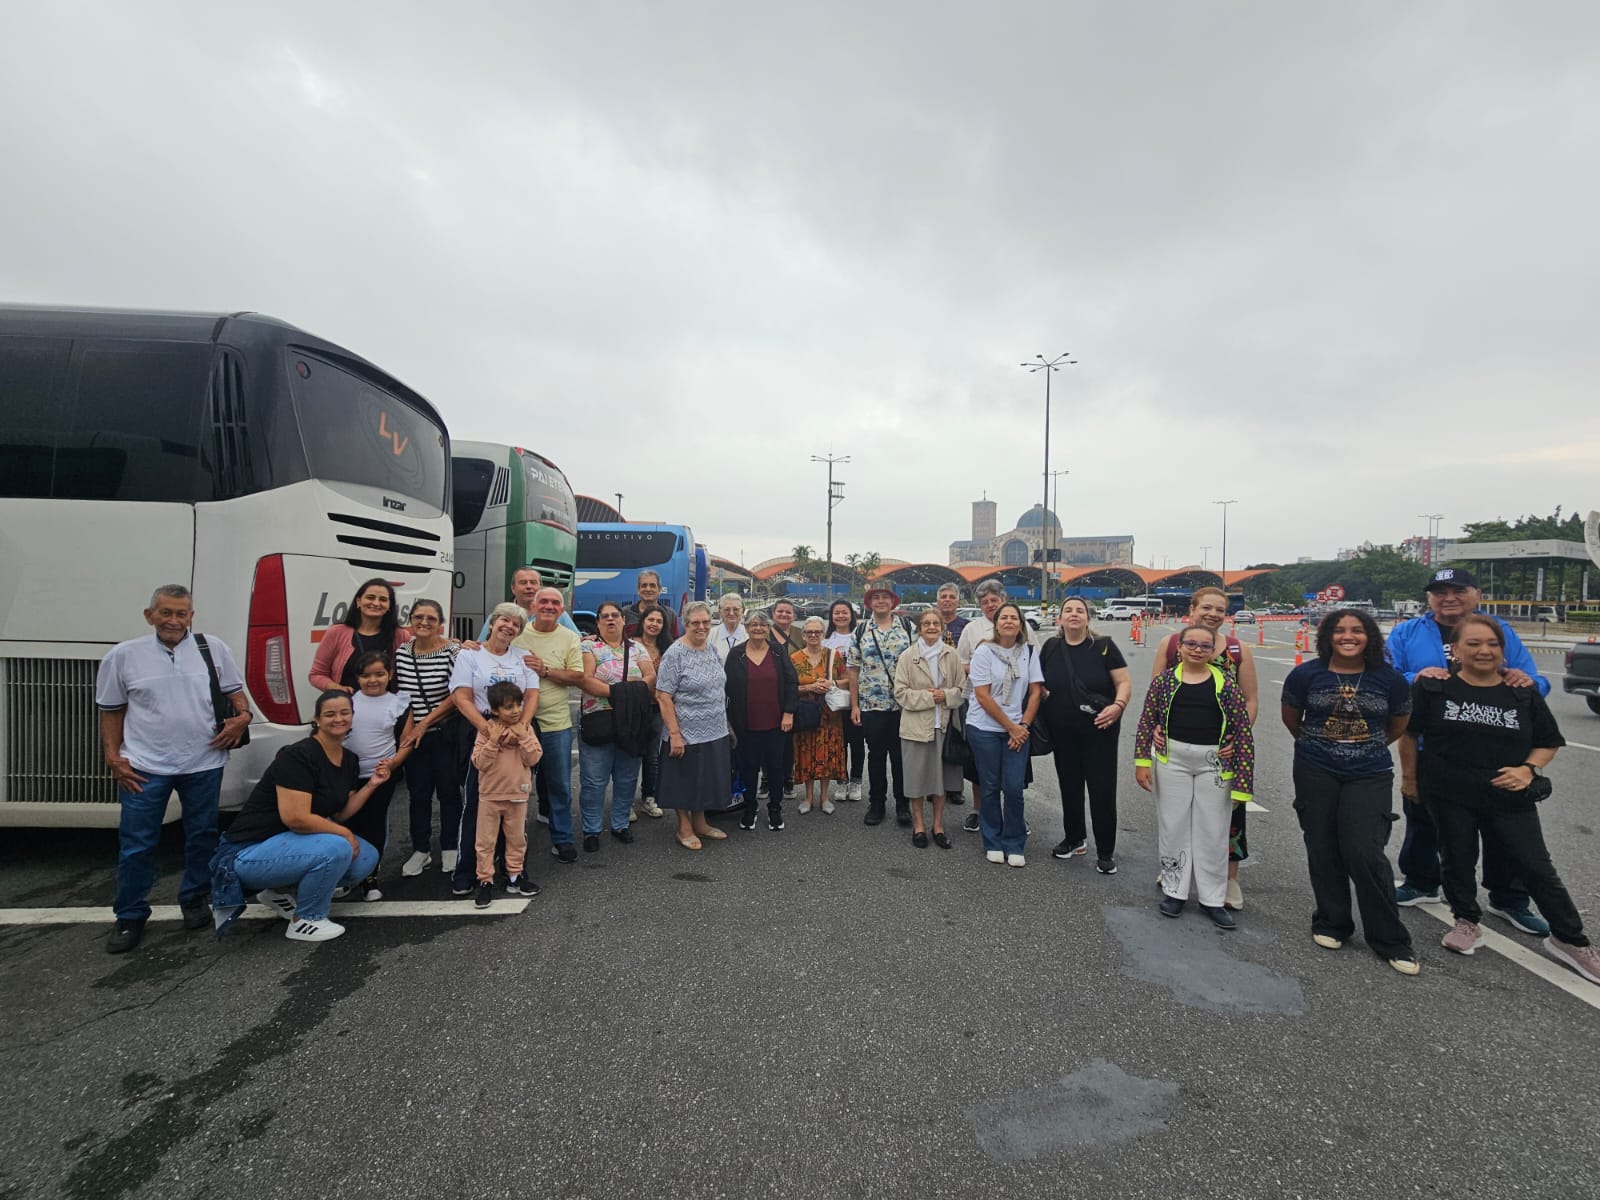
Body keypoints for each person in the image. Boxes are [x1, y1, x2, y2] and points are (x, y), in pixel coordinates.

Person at [1401, 615, 1597, 984]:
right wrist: (1409, 780)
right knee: (1457, 858)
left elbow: (1548, 741)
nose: (1484, 651)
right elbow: (1409, 734)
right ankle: (1466, 921)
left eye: (1492, 644)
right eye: (1473, 644)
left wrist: (1528, 769)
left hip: (1509, 795)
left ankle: (1570, 939)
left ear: (1503, 651)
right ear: (1455, 650)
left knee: (1535, 865)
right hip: (1449, 791)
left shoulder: (1521, 691)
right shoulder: (1434, 687)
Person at [1387, 567, 1551, 937]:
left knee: (1503, 830)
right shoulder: (1407, 632)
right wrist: (1418, 677)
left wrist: (1522, 680)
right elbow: (1388, 676)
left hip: (1497, 749)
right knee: (1423, 816)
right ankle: (1421, 881)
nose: (1449, 598)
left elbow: (1536, 681)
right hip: (1433, 747)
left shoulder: (1498, 632)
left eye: (1458, 590)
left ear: (1476, 594)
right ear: (1429, 598)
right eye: (1440, 592)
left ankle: (1509, 898)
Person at [96, 585, 251, 953]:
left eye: (181, 613)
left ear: (191, 617)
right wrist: (113, 757)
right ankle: (130, 915)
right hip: (145, 765)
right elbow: (111, 709)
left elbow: (235, 692)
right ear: (149, 615)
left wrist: (243, 717)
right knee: (137, 843)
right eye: (165, 612)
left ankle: (194, 898)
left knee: (202, 836)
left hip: (204, 762)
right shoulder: (124, 655)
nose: (173, 620)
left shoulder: (212, 648)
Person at [1281, 609, 1418, 975]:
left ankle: (1390, 938)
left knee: (1364, 850)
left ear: (1369, 636)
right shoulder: (1306, 675)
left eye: (1357, 630)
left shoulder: (1389, 679)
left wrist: (1363, 747)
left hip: (1368, 772)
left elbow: (1398, 724)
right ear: (1327, 636)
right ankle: (1332, 921)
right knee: (1322, 844)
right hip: (1315, 768)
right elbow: (1292, 717)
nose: (1348, 636)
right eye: (1339, 630)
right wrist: (1320, 745)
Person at [208, 691, 389, 944]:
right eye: (330, 714)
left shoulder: (349, 760)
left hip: (288, 844)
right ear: (317, 719)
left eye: (344, 713)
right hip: (248, 850)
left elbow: (341, 812)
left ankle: (277, 891)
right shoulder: (298, 755)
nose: (338, 718)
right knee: (337, 847)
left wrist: (372, 784)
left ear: (352, 716)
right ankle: (306, 919)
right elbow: (296, 818)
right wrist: (345, 833)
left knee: (366, 856)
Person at [1134, 624, 1256, 928]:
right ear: (1180, 647)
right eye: (1191, 644)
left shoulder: (1227, 683)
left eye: (1205, 646)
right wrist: (1142, 761)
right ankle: (1174, 890)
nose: (1197, 650)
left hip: (1214, 763)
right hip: (1172, 760)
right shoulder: (1164, 681)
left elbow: (1243, 732)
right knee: (1172, 825)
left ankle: (1212, 898)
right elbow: (1147, 719)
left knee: (1214, 830)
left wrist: (1242, 784)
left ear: (1214, 651)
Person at [447, 604, 541, 897]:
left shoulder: (523, 657)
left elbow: (532, 694)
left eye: (516, 624)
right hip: (482, 729)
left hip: (518, 730)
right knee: (476, 805)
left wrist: (521, 727)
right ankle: (469, 872)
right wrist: (489, 731)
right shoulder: (470, 654)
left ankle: (514, 872)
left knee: (515, 806)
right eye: (504, 620)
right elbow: (461, 696)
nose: (509, 626)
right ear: (492, 622)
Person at [1041, 597, 1131, 874]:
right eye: (1068, 610)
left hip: (1100, 730)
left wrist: (1118, 706)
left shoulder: (1104, 646)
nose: (1074, 614)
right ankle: (1074, 838)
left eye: (1079, 610)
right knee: (1069, 786)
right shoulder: (1051, 647)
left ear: (1087, 618)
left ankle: (1105, 851)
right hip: (1063, 731)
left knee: (1102, 789)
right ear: (1060, 618)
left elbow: (1123, 682)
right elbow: (1039, 683)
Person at [956, 579, 1036, 833]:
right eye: (985, 602)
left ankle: (1015, 816)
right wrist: (986, 666)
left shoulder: (1023, 628)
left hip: (1017, 707)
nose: (990, 605)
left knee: (1015, 772)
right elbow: (960, 662)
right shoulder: (972, 629)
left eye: (994, 600)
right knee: (981, 768)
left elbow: (1033, 659)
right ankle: (979, 810)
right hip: (982, 702)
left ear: (1003, 601)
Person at [967, 604, 1042, 867]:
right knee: (989, 787)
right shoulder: (984, 651)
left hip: (1019, 729)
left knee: (1013, 788)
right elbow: (982, 695)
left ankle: (1014, 842)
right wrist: (1011, 727)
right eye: (1004, 618)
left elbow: (1035, 691)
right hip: (985, 728)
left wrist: (1023, 725)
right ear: (996, 623)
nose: (1009, 621)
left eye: (1014, 618)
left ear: (1021, 624)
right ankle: (992, 841)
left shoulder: (1029, 652)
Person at [654, 602, 733, 851]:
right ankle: (684, 828)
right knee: (684, 781)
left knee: (705, 779)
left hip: (714, 729)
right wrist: (675, 734)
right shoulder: (675, 654)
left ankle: (700, 823)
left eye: (706, 622)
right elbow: (663, 696)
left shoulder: (711, 648)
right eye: (695, 622)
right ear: (685, 624)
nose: (701, 627)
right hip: (686, 731)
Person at [512, 587, 585, 856]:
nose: (549, 606)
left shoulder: (569, 637)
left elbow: (577, 676)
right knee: (513, 785)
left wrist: (545, 670)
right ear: (533, 606)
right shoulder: (516, 633)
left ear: (562, 610)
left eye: (555, 603)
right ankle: (511, 842)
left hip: (555, 723)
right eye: (543, 601)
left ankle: (562, 839)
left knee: (559, 785)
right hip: (517, 722)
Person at [578, 601, 656, 848]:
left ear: (623, 620)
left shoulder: (637, 648)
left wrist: (620, 693)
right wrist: (622, 693)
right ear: (598, 622)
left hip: (632, 721)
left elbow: (650, 676)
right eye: (605, 616)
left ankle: (620, 824)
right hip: (598, 719)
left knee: (626, 777)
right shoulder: (589, 646)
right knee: (594, 781)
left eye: (615, 615)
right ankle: (591, 830)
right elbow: (586, 680)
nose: (610, 619)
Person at [394, 600, 463, 877]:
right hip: (416, 735)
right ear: (410, 620)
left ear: (440, 624)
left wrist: (424, 724)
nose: (424, 622)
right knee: (418, 794)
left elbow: (457, 694)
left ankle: (450, 846)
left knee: (448, 792)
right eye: (418, 617)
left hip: (444, 733)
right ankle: (420, 850)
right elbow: (406, 696)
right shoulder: (402, 653)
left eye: (431, 618)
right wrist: (410, 730)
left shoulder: (452, 651)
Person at [343, 652, 413, 901]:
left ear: (390, 675)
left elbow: (406, 742)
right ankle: (344, 874)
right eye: (366, 675)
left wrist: (393, 764)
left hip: (381, 776)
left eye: (379, 674)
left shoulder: (400, 703)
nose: (373, 680)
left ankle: (369, 876)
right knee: (346, 823)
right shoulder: (347, 701)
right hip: (346, 775)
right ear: (357, 677)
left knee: (373, 824)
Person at [893, 610, 965, 849]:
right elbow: (900, 693)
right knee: (916, 780)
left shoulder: (951, 655)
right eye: (926, 623)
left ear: (942, 627)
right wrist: (929, 697)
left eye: (936, 623)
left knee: (940, 781)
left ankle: (938, 825)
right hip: (915, 728)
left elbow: (962, 690)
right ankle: (919, 825)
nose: (931, 627)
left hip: (944, 726)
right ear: (919, 628)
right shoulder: (908, 656)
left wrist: (946, 695)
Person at [469, 681, 543, 908]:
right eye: (508, 707)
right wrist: (493, 742)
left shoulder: (525, 729)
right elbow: (479, 763)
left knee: (517, 839)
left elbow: (533, 758)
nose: (516, 711)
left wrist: (523, 737)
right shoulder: (487, 731)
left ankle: (515, 876)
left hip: (518, 794)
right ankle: (485, 880)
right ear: (494, 710)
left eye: (519, 705)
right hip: (490, 796)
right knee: (485, 842)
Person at [724, 611, 798, 832]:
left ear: (768, 628)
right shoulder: (736, 654)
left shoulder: (778, 651)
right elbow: (726, 687)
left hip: (776, 723)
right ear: (746, 628)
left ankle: (775, 809)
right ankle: (750, 808)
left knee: (775, 767)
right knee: (748, 768)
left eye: (762, 624)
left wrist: (789, 712)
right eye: (753, 624)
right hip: (745, 723)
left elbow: (791, 682)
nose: (758, 628)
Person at [848, 586, 914, 827]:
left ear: (893, 601)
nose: (881, 601)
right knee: (875, 756)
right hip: (871, 704)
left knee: (900, 756)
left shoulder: (907, 628)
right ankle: (876, 804)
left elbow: (919, 662)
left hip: (902, 705)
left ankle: (903, 804)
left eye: (885, 597)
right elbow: (853, 669)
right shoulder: (861, 630)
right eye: (875, 598)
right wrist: (854, 705)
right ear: (869, 603)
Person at [309, 577, 412, 693]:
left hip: (387, 704)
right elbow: (317, 674)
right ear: (358, 601)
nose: (376, 603)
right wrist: (338, 689)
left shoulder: (401, 636)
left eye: (383, 599)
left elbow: (412, 672)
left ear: (389, 606)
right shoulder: (337, 632)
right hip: (347, 703)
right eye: (370, 597)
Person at [791, 617, 847, 815]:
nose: (813, 635)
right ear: (803, 635)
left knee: (827, 756)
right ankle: (808, 797)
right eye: (809, 632)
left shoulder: (834, 655)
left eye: (817, 632)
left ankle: (824, 797)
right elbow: (788, 688)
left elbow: (847, 680)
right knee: (806, 755)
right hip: (806, 714)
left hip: (830, 715)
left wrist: (833, 684)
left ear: (823, 634)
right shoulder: (794, 658)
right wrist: (809, 687)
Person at [632, 604, 672, 820]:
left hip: (657, 708)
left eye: (659, 621)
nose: (654, 624)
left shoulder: (667, 648)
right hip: (633, 708)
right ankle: (625, 802)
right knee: (631, 755)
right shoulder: (630, 644)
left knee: (652, 756)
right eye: (650, 620)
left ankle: (649, 797)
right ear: (643, 621)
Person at [823, 599, 865, 803]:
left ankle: (856, 781)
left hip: (857, 697)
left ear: (851, 615)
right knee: (838, 743)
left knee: (856, 742)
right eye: (836, 613)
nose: (840, 616)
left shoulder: (861, 637)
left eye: (844, 612)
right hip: (833, 700)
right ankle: (842, 780)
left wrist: (841, 682)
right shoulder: (825, 641)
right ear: (831, 616)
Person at [476, 566, 580, 639]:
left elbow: (579, 641)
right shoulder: (498, 617)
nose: (529, 586)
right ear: (513, 588)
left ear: (540, 587)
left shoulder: (558, 614)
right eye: (523, 583)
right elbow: (482, 646)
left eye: (533, 583)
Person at [767, 599, 805, 800]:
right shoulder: (764, 632)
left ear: (794, 615)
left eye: (788, 612)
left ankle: (788, 778)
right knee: (766, 737)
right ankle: (767, 779)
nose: (784, 615)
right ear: (773, 614)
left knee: (789, 739)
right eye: (780, 611)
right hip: (767, 693)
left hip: (793, 691)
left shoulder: (800, 634)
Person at [622, 569, 680, 641]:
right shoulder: (625, 612)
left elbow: (675, 642)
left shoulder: (670, 614)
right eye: (644, 585)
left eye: (652, 585)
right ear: (638, 590)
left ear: (659, 589)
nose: (648, 589)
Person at [708, 592, 749, 661]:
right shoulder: (710, 635)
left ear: (743, 611)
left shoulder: (749, 635)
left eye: (736, 609)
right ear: (720, 612)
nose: (731, 613)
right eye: (727, 609)